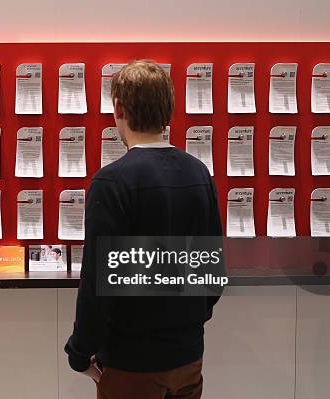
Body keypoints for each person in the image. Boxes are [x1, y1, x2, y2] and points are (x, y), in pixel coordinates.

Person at [64, 61, 223, 399]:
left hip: (131, 363)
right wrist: (186, 323)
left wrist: (80, 352)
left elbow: (97, 282)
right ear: (169, 107)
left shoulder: (112, 182)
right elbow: (211, 273)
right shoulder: (199, 173)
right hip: (188, 357)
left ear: (119, 107)